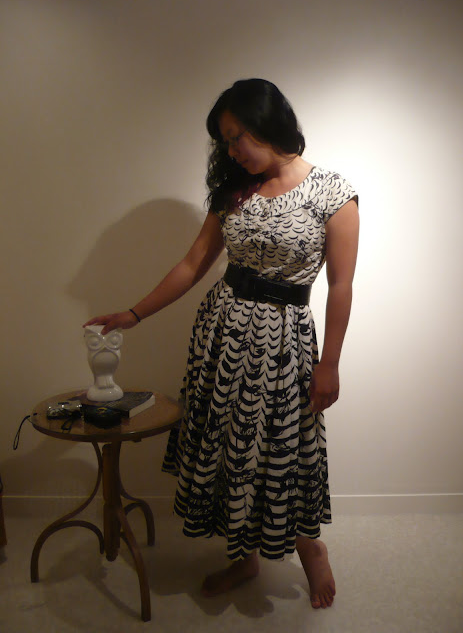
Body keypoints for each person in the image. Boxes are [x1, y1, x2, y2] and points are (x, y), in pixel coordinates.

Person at [84, 78, 359, 609]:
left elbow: (341, 286)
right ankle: (243, 555)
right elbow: (193, 264)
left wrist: (330, 364)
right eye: (225, 142)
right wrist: (133, 314)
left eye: (237, 137)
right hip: (224, 335)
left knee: (286, 448)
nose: (232, 151)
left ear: (267, 123)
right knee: (232, 447)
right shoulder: (235, 190)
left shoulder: (332, 192)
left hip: (285, 343)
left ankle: (309, 545)